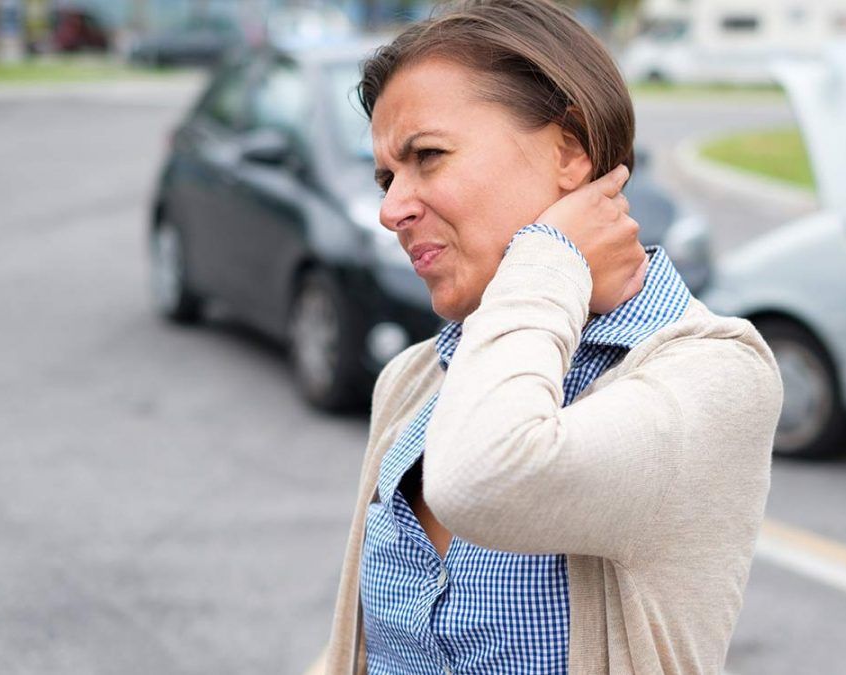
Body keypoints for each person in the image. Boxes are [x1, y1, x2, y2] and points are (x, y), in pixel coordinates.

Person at [324, 0, 783, 673]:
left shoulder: (714, 372)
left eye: (428, 156)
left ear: (569, 149)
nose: (392, 209)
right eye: (388, 177)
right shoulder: (413, 380)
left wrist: (551, 254)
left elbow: (487, 477)